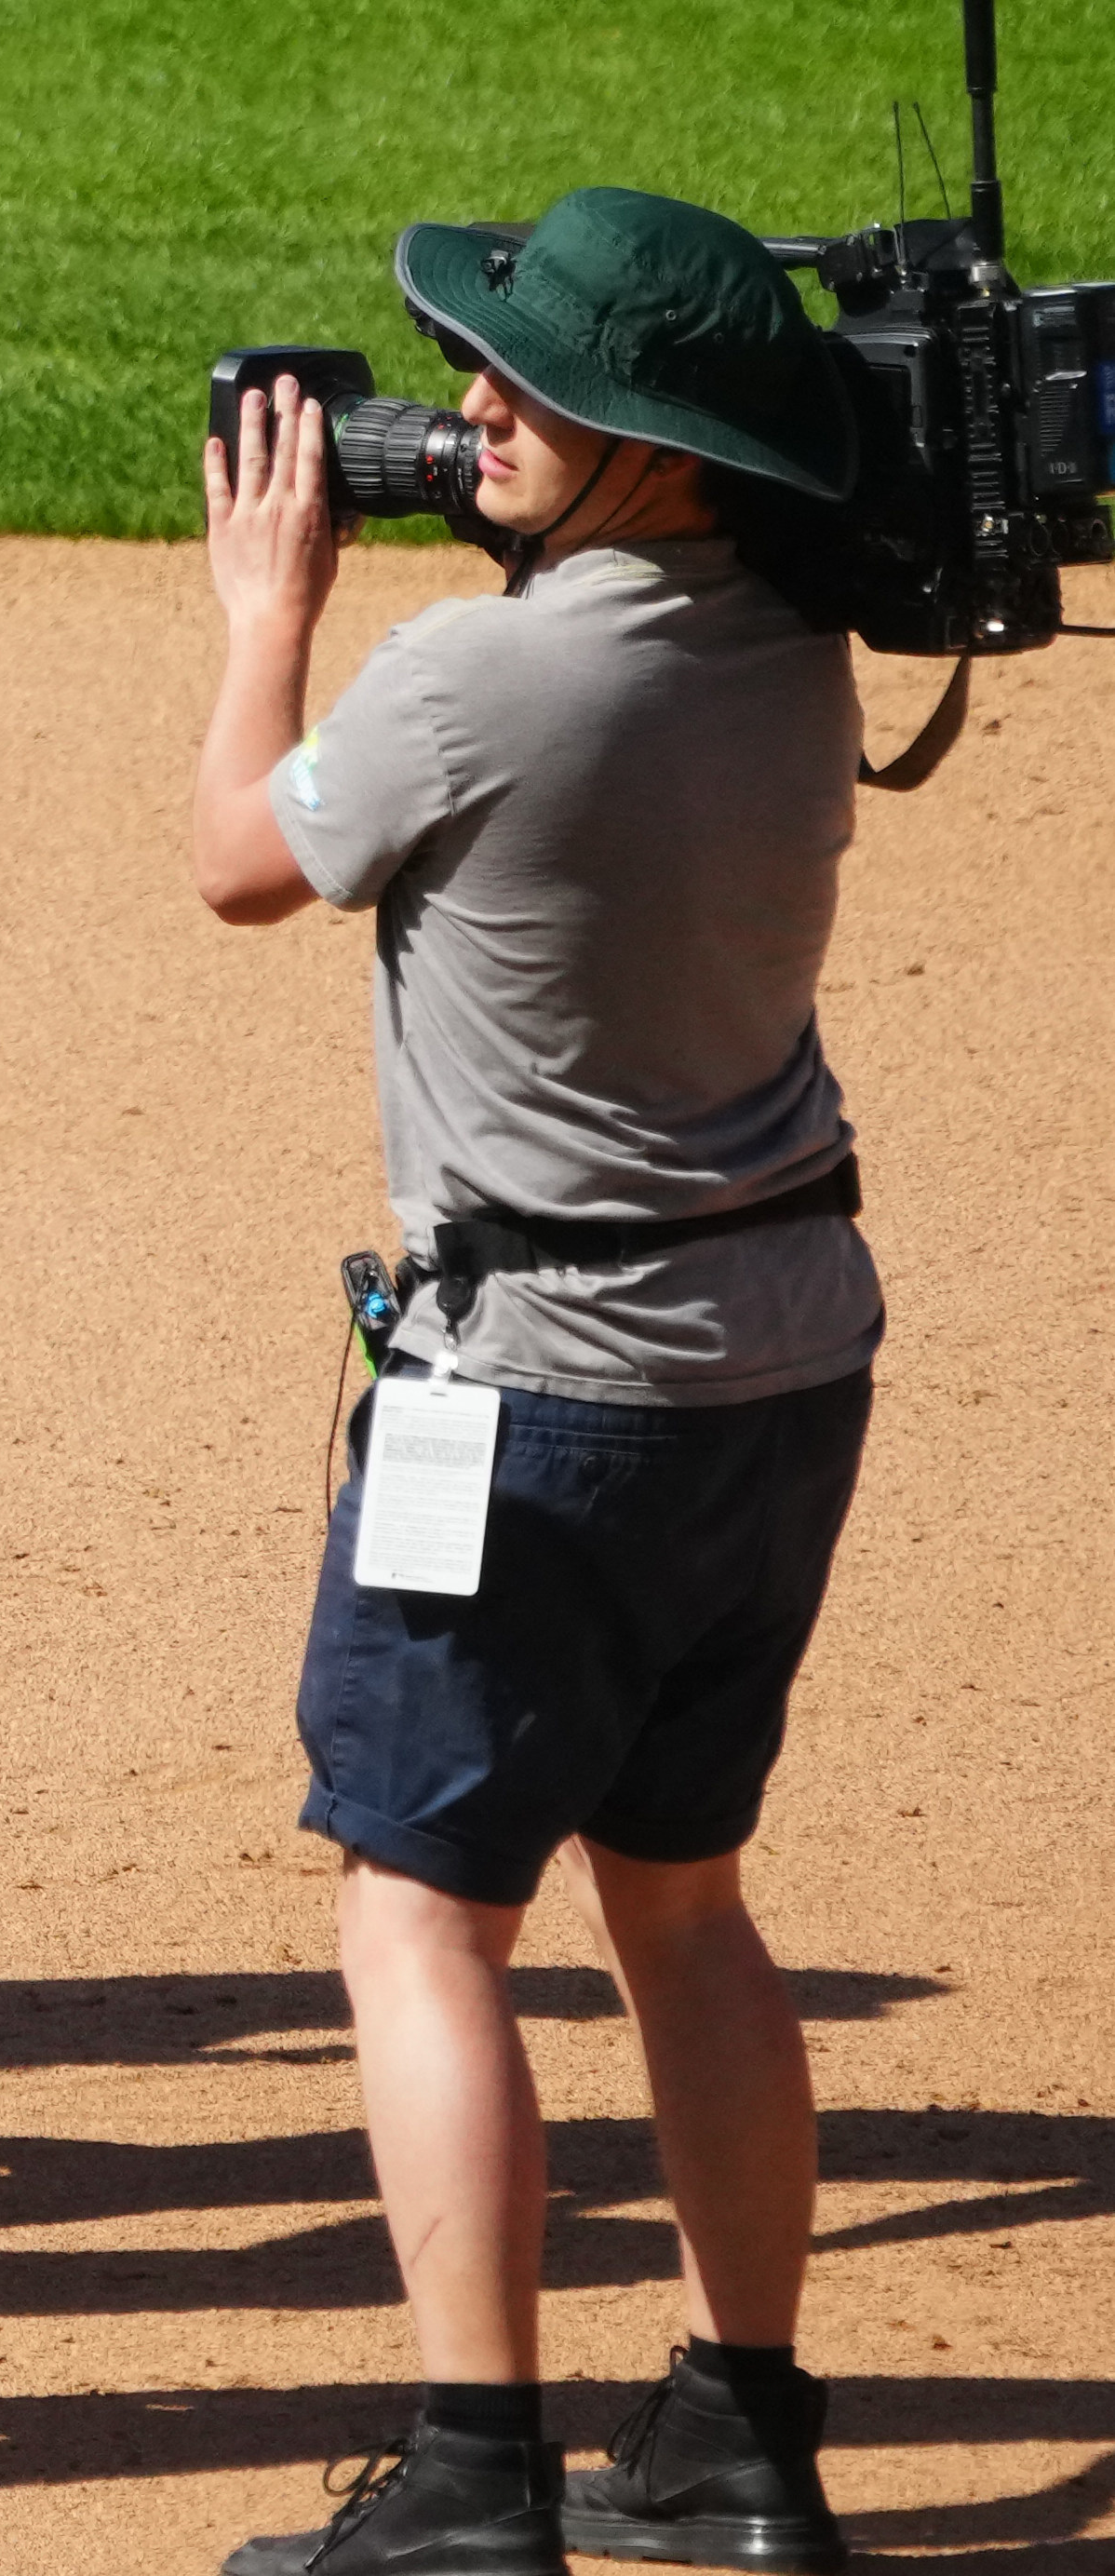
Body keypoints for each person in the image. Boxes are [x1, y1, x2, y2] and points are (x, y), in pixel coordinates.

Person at [194, 190, 884, 2576]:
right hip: (780, 1362)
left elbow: (230, 858)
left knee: (416, 1914)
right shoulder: (801, 646)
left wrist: (263, 618)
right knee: (680, 1899)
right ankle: (742, 2436)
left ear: (662, 451)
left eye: (530, 392)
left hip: (523, 1390)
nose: (468, 410)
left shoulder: (475, 685)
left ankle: (471, 2478)